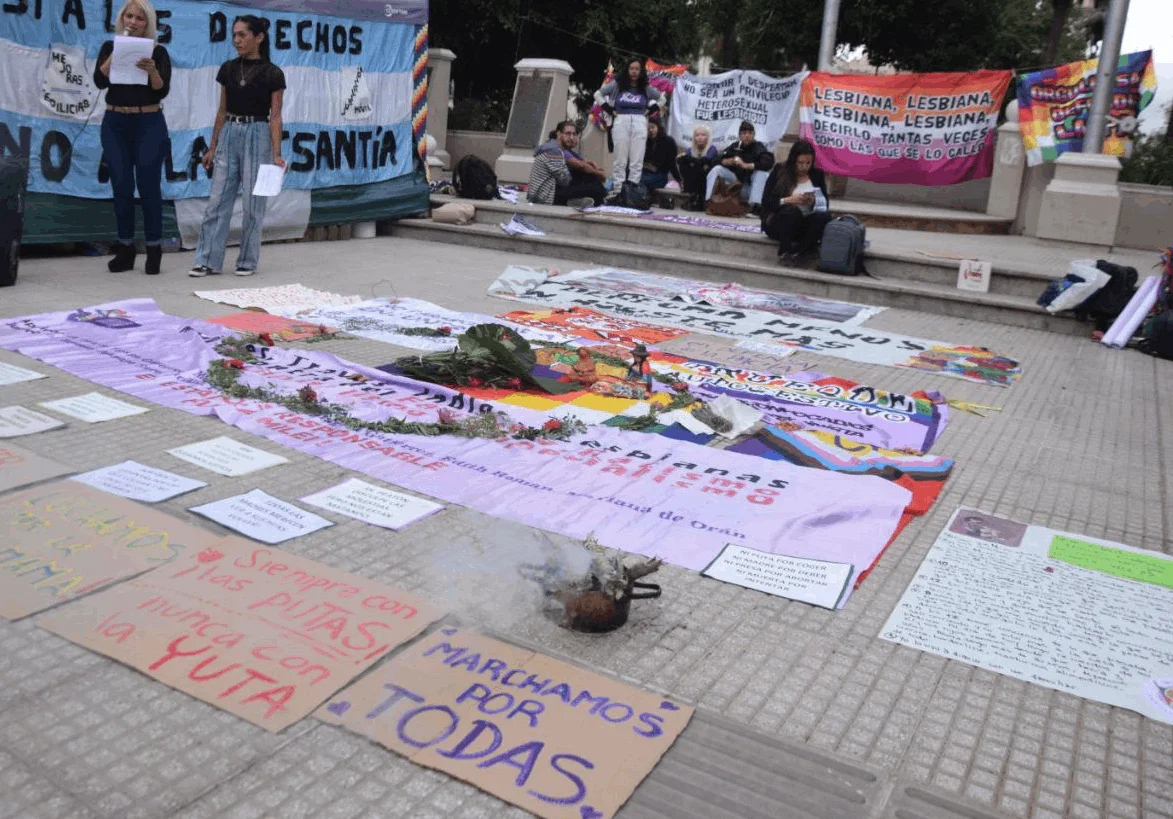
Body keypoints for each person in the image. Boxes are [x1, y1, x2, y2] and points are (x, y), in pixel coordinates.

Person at [189, 15, 286, 277]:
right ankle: (207, 259)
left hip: (258, 132)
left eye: (243, 34)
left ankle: (247, 261)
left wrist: (276, 154)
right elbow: (221, 110)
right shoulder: (229, 69)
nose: (237, 40)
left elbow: (275, 115)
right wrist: (212, 147)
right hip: (230, 131)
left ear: (259, 37)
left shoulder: (273, 73)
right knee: (218, 199)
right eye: (235, 35)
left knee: (254, 203)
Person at [93, 0, 172, 275]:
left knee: (149, 186)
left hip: (148, 121)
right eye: (129, 16)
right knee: (121, 185)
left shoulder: (158, 52)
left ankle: (153, 248)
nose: (133, 22)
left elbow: (162, 91)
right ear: (122, 18)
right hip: (115, 121)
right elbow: (99, 82)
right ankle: (125, 248)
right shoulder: (108, 48)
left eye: (140, 18)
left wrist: (152, 71)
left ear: (148, 23)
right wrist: (114, 56)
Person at [593, 58, 664, 193]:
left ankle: (632, 191)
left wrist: (651, 109)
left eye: (637, 69)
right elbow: (598, 94)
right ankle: (618, 191)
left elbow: (662, 98)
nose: (634, 72)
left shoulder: (645, 88)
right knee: (620, 159)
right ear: (627, 69)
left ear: (641, 71)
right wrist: (608, 109)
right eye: (631, 68)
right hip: (620, 120)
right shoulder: (617, 85)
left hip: (640, 122)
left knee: (636, 161)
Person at [760, 139, 832, 264]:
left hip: (806, 221)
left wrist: (814, 201)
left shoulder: (817, 175)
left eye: (808, 163)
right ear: (794, 160)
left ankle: (800, 251)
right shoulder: (780, 171)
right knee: (792, 212)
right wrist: (787, 200)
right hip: (781, 221)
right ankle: (784, 251)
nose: (804, 167)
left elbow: (825, 203)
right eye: (801, 163)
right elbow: (766, 202)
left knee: (824, 217)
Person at [527, 121, 605, 208]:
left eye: (574, 134)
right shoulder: (553, 150)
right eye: (567, 134)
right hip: (545, 197)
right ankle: (576, 201)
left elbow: (582, 163)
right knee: (594, 188)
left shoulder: (556, 149)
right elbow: (565, 180)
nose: (571, 137)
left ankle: (576, 201)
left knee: (589, 178)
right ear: (559, 134)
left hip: (550, 191)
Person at [704, 121, 775, 213]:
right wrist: (726, 161)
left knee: (762, 173)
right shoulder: (735, 146)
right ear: (740, 135)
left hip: (750, 189)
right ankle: (709, 201)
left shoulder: (758, 147)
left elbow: (768, 163)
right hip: (735, 185)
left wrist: (746, 165)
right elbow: (715, 160)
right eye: (744, 133)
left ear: (754, 135)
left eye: (750, 133)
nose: (747, 136)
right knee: (717, 169)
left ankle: (755, 207)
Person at [676, 125, 718, 211]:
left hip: (708, 182)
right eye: (697, 135)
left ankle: (699, 199)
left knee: (700, 166)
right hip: (694, 181)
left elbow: (705, 160)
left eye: (703, 135)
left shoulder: (712, 149)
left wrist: (690, 159)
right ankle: (693, 195)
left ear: (708, 137)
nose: (700, 138)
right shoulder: (690, 150)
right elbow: (680, 160)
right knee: (684, 164)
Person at [641, 117, 681, 194]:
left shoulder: (668, 141)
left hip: (659, 175)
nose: (650, 130)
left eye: (652, 127)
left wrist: (679, 180)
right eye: (648, 128)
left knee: (640, 181)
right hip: (644, 173)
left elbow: (672, 164)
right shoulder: (643, 140)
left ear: (658, 127)